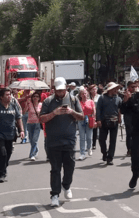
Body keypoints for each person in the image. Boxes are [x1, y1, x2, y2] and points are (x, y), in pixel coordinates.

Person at [39, 77, 84, 207]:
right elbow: (41, 119)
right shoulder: (48, 101)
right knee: (55, 169)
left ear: (66, 88)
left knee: (70, 166)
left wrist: (71, 112)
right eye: (58, 90)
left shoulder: (73, 99)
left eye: (62, 90)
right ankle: (54, 194)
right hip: (53, 140)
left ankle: (66, 185)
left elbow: (81, 117)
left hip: (69, 139)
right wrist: (54, 113)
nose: (60, 93)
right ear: (54, 89)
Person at [95, 82, 122, 165]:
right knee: (102, 140)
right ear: (110, 90)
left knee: (113, 141)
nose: (116, 90)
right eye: (114, 89)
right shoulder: (102, 98)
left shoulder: (118, 98)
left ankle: (110, 158)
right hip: (104, 122)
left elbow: (120, 109)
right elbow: (98, 109)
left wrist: (120, 118)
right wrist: (98, 120)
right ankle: (104, 153)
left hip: (114, 121)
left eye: (117, 89)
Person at [77, 87, 95, 160]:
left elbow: (94, 110)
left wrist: (94, 118)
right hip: (81, 120)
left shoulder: (90, 101)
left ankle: (89, 148)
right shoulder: (78, 102)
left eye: (85, 93)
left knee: (89, 137)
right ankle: (82, 153)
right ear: (80, 95)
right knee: (82, 137)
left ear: (87, 94)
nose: (84, 95)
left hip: (89, 119)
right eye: (82, 94)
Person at [123, 80, 139, 157]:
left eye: (135, 86)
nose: (134, 88)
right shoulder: (125, 94)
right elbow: (122, 109)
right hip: (128, 116)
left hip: (136, 116)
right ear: (128, 87)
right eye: (132, 87)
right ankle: (129, 149)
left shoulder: (137, 95)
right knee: (129, 134)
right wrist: (126, 100)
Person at [25, 92, 43, 161]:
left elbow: (42, 114)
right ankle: (36, 149)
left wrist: (39, 113)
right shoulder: (29, 104)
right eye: (34, 96)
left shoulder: (40, 105)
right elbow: (24, 112)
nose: (35, 98)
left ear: (39, 98)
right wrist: (27, 104)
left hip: (37, 123)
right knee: (31, 139)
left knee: (35, 140)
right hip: (29, 123)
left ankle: (32, 155)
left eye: (37, 96)